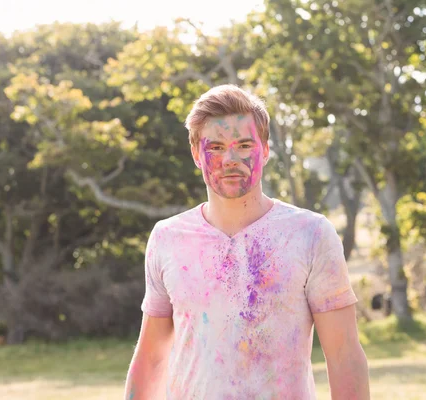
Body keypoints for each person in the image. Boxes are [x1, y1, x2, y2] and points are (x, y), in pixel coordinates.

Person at [124, 85, 370, 399]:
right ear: (197, 154)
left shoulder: (311, 234)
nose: (230, 158)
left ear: (265, 150)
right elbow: (152, 358)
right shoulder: (168, 238)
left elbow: (344, 356)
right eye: (215, 147)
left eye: (243, 144)